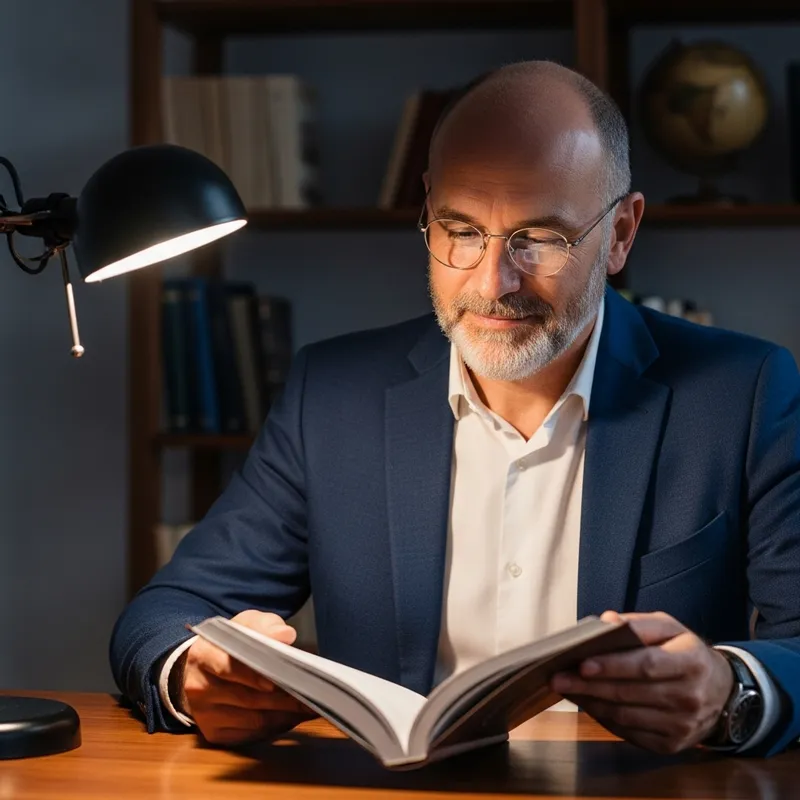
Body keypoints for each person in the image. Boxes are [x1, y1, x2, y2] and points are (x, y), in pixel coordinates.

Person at [110, 60, 800, 757]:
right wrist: (193, 675)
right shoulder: (333, 395)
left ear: (621, 232)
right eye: (461, 231)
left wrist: (730, 691)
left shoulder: (741, 393)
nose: (493, 283)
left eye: (540, 238)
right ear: (428, 210)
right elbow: (163, 615)